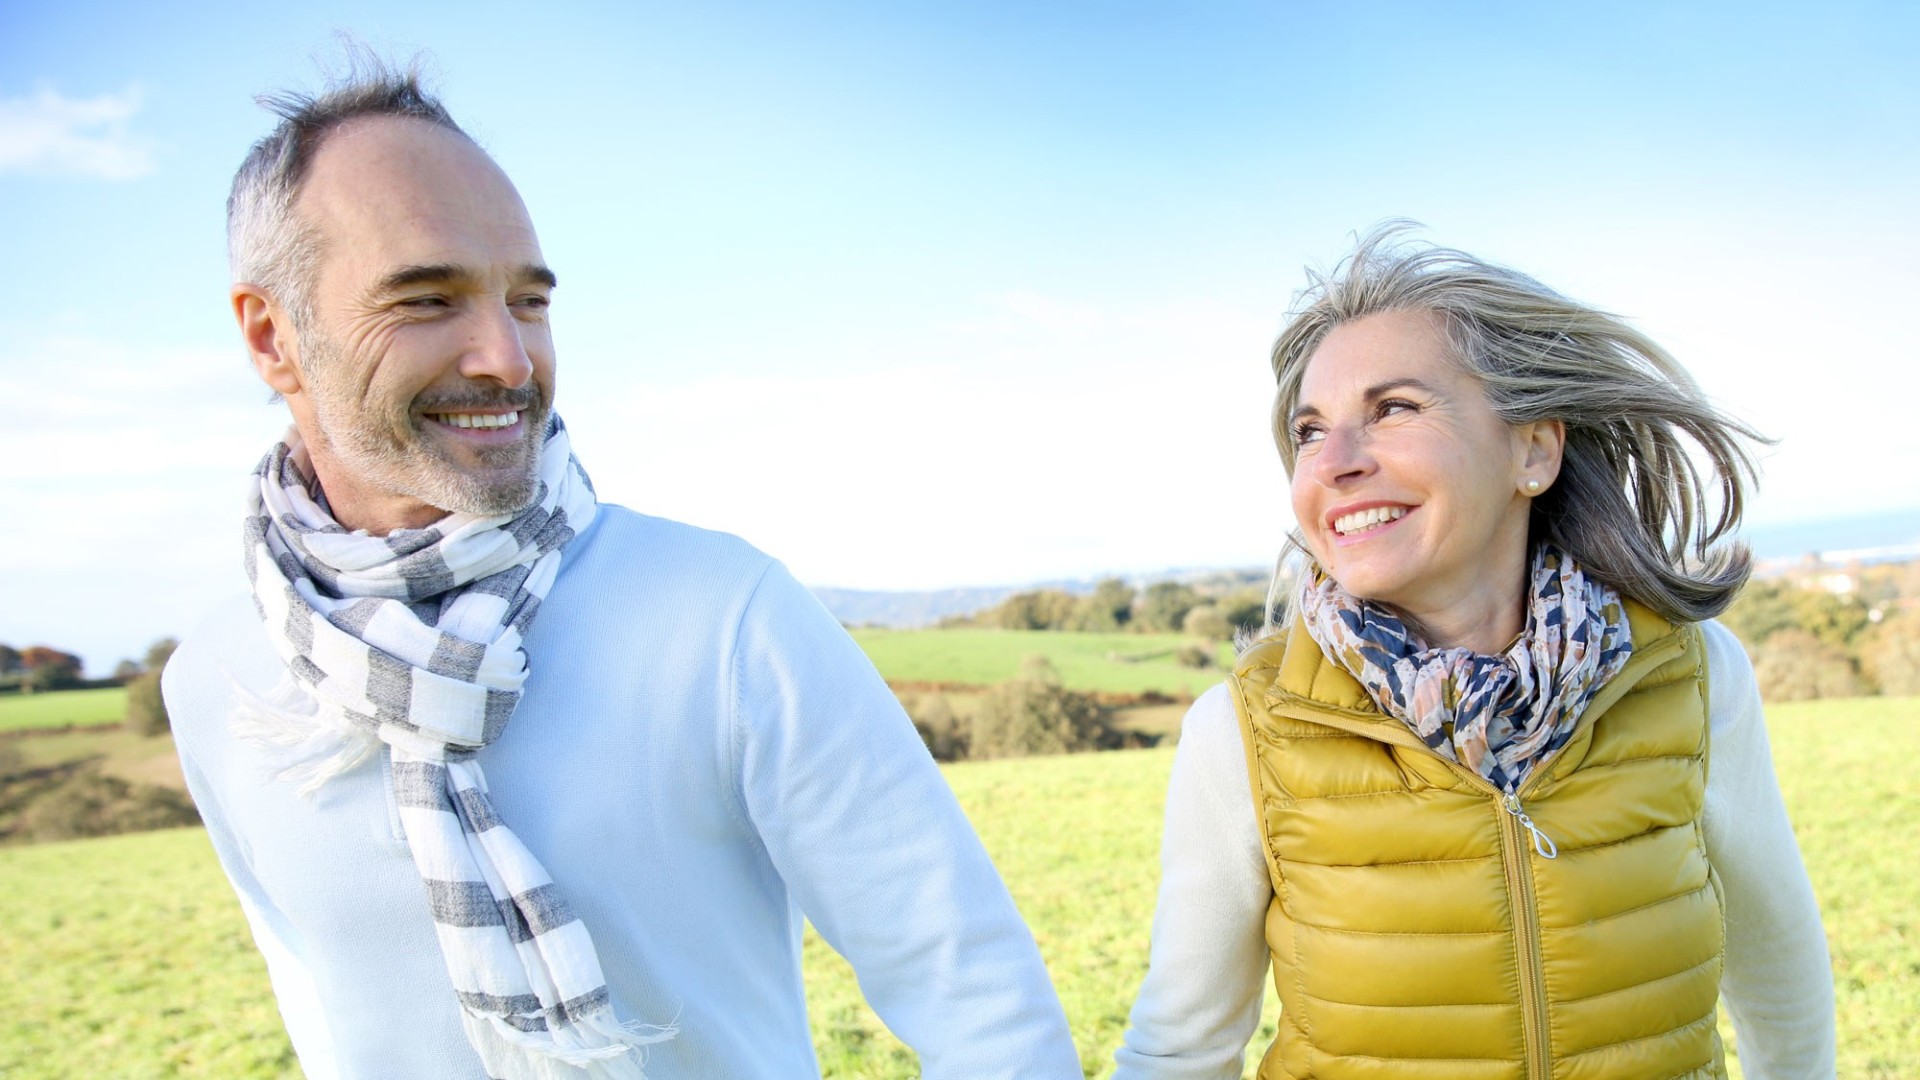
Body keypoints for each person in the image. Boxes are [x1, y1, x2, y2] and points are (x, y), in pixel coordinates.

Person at [163, 59, 1082, 1080]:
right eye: (427, 300)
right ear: (271, 338)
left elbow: (979, 1002)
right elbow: (325, 1015)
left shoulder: (724, 617)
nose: (507, 360)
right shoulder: (215, 680)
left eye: (528, 300)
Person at [1113, 228, 1835, 1080]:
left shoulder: (1692, 672)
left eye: (1393, 408)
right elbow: (1180, 1050)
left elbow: (1779, 970)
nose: (1335, 463)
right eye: (1311, 431)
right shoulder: (1242, 731)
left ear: (1533, 448)